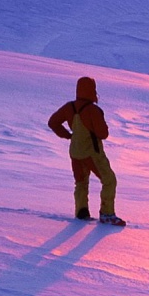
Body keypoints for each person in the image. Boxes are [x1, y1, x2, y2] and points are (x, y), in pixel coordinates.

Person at [48, 76, 126, 226]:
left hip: (75, 151)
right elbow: (103, 134)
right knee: (109, 180)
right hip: (91, 152)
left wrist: (68, 135)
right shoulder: (93, 110)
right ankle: (107, 214)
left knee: (81, 182)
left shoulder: (69, 107)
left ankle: (81, 212)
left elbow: (53, 122)